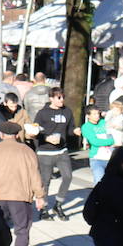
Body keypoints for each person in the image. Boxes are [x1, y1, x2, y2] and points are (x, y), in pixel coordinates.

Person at [33, 88, 77, 220]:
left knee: (68, 176)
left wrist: (75, 131)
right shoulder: (42, 113)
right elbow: (36, 132)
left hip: (61, 150)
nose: (62, 100)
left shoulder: (67, 111)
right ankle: (44, 208)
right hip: (45, 152)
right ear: (51, 98)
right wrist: (47, 138)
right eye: (59, 97)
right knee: (45, 181)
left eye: (63, 97)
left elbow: (70, 129)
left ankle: (58, 204)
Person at [81, 106, 116, 184]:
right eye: (94, 114)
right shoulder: (86, 127)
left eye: (98, 113)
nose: (97, 116)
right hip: (97, 159)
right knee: (99, 182)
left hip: (111, 158)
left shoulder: (104, 122)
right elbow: (95, 141)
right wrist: (111, 141)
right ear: (88, 116)